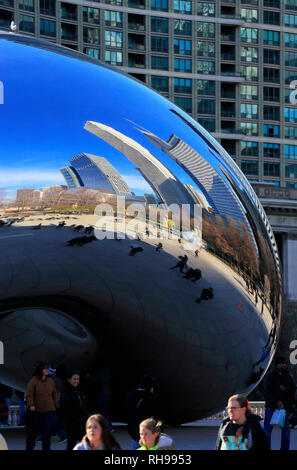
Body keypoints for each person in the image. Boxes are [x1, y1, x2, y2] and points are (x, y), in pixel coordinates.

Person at [263, 356, 296, 450]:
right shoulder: (270, 375)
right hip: (271, 407)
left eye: (285, 363)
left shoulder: (287, 376)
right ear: (277, 364)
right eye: (282, 363)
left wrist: (286, 389)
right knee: (267, 430)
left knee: (286, 431)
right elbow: (267, 391)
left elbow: (293, 388)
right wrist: (276, 401)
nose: (284, 365)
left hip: (284, 408)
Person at [25, 362, 59, 451]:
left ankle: (46, 448)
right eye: (45, 369)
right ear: (41, 370)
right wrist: (31, 405)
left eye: (48, 368)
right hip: (36, 411)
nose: (47, 370)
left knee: (47, 433)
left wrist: (56, 405)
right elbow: (29, 394)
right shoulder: (34, 381)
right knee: (32, 433)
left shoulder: (50, 381)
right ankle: (29, 448)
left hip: (48, 410)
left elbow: (54, 393)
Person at [125, 375, 160, 450]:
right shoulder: (151, 398)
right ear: (150, 387)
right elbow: (155, 416)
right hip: (149, 433)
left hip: (134, 432)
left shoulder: (130, 395)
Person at [60, 370, 89, 450]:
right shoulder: (67, 392)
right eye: (74, 379)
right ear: (69, 380)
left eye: (78, 379)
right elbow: (64, 409)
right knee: (71, 445)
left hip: (81, 423)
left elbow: (83, 406)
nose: (76, 381)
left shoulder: (79, 391)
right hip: (72, 424)